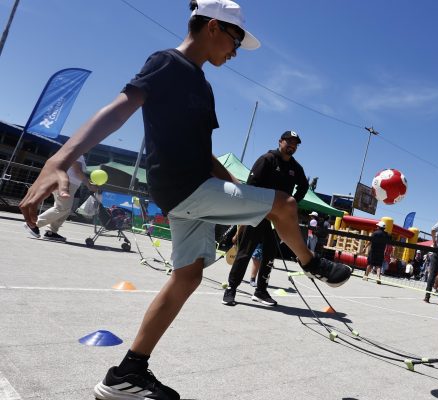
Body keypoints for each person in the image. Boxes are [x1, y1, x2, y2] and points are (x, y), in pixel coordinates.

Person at [18, 3, 352, 398]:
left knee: (188, 276)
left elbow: (202, 151)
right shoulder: (166, 62)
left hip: (194, 187)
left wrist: (233, 187)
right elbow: (119, 109)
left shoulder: (202, 85)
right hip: (185, 188)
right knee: (286, 205)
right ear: (213, 27)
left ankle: (127, 374)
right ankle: (311, 263)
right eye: (235, 39)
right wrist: (60, 158)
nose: (235, 50)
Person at [223, 130, 309, 306]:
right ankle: (231, 289)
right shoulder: (267, 159)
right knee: (245, 252)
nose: (292, 145)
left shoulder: (296, 168)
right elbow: (251, 186)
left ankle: (261, 291)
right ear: (280, 142)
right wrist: (258, 207)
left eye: (295, 144)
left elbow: (304, 186)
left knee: (269, 255)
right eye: (289, 142)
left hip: (277, 219)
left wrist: (291, 203)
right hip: (258, 215)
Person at [23, 154, 96, 241]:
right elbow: (77, 171)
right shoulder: (78, 154)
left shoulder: (79, 155)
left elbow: (77, 171)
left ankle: (51, 232)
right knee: (62, 208)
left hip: (69, 184)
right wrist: (88, 184)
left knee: (65, 209)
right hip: (66, 184)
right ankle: (33, 224)